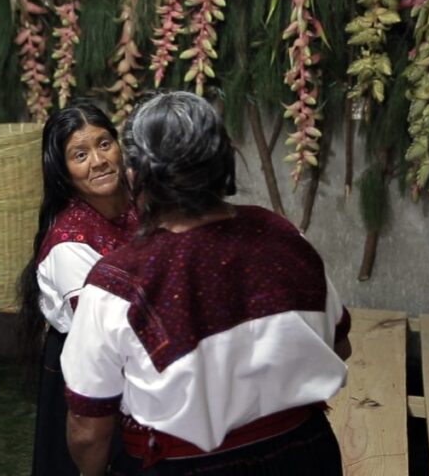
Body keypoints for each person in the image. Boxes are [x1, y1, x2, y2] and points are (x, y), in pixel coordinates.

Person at [61, 91, 352, 475]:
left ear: (135, 173)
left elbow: (88, 430)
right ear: (223, 161)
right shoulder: (284, 237)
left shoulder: (118, 282)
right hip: (306, 454)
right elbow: (340, 344)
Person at [17, 103, 139, 476]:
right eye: (80, 155)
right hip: (92, 364)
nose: (99, 161)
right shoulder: (68, 243)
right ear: (63, 171)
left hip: (136, 356)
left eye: (105, 144)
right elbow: (101, 335)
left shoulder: (144, 201)